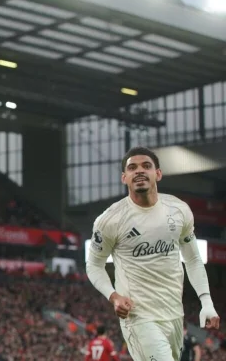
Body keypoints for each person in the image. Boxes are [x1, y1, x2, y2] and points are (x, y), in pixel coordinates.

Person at [86, 146, 220, 361]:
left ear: (158, 173)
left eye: (146, 166)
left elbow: (193, 259)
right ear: (124, 177)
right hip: (138, 317)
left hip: (174, 315)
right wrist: (113, 296)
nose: (139, 171)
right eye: (132, 168)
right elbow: (94, 264)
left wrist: (206, 301)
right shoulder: (109, 220)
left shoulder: (179, 210)